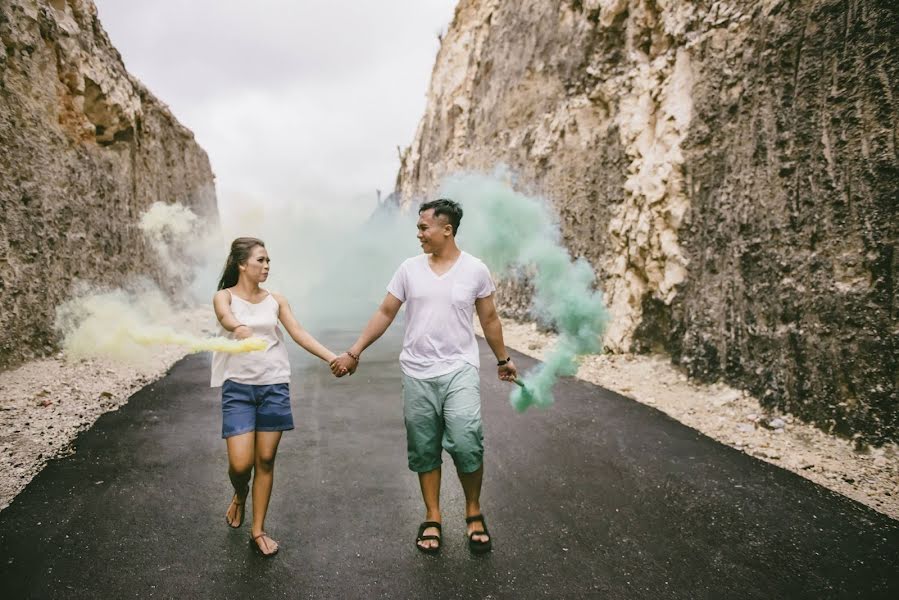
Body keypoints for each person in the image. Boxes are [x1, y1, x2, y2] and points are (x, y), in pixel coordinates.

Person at [330, 199, 518, 554]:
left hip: (459, 368)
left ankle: (473, 510)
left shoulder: (475, 269)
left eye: (423, 227)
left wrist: (503, 359)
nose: (418, 234)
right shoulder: (409, 269)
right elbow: (386, 312)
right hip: (416, 371)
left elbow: (490, 319)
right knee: (424, 447)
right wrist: (354, 352)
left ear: (446, 229)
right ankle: (433, 516)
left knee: (466, 440)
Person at [211, 237, 343, 557]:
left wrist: (332, 357)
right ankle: (239, 494)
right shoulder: (223, 297)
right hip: (238, 389)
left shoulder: (277, 300)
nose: (267, 266)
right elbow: (225, 318)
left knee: (266, 460)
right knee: (241, 464)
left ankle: (258, 530)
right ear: (242, 264)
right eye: (261, 260)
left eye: (269, 261)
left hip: (274, 386)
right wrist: (238, 328)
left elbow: (298, 333)